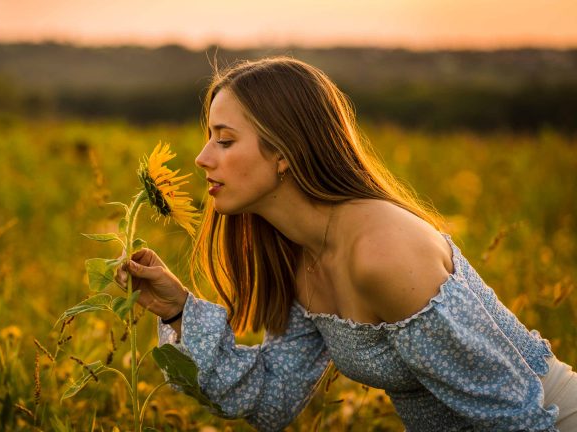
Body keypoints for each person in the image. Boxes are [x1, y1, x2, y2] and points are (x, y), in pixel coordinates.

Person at [115, 57, 577, 431]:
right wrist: (179, 310)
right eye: (208, 138)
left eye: (225, 140)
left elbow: (513, 418)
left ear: (284, 153)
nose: (202, 158)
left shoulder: (384, 254)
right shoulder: (300, 252)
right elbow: (270, 399)